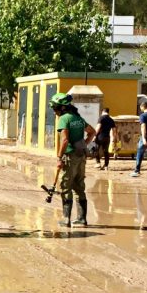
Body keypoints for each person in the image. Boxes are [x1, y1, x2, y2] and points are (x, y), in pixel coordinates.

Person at [50, 93, 96, 227]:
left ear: (61, 108)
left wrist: (59, 157)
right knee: (79, 186)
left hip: (69, 156)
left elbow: (64, 140)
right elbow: (92, 131)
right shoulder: (78, 118)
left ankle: (66, 219)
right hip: (81, 156)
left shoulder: (64, 119)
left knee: (65, 187)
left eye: (55, 108)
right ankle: (82, 219)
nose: (54, 111)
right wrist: (84, 143)